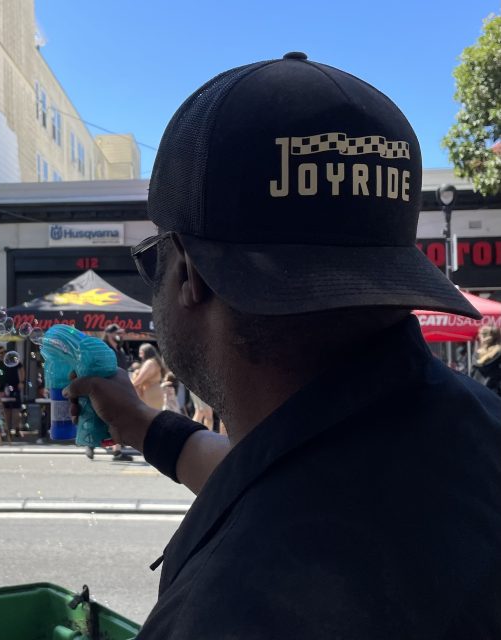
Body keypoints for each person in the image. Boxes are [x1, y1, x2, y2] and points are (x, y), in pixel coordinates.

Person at [65, 53, 501, 638]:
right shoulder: (471, 429)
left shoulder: (226, 609)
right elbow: (279, 473)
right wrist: (143, 426)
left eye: (154, 259)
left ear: (188, 272)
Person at [84, 324, 133, 461]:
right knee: (103, 418)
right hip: (106, 388)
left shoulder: (119, 349)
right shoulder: (104, 350)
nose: (121, 336)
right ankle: (90, 444)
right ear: (109, 334)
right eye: (118, 333)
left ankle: (117, 451)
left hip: (119, 389)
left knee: (117, 420)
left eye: (121, 333)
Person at [0, 345, 25, 438]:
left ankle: (17, 428)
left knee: (16, 409)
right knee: (6, 410)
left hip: (14, 386)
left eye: (5, 352)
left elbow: (21, 370)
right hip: (3, 388)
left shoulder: (12, 359)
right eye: (1, 353)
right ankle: (8, 430)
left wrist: (21, 382)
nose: (4, 354)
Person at [130, 343, 165, 410]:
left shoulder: (150, 363)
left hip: (150, 393)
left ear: (146, 352)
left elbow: (139, 380)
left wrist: (129, 386)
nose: (140, 356)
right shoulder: (154, 362)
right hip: (155, 391)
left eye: (141, 353)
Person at [471, 324, 501, 394]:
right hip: (494, 390)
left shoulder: (477, 353)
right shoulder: (499, 352)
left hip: (477, 389)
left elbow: (472, 371)